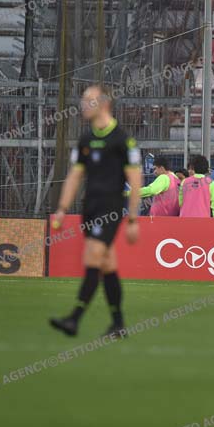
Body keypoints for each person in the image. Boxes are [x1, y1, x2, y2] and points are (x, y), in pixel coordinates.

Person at [49, 85, 142, 338]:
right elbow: (74, 176)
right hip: (89, 208)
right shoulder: (85, 139)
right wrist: (62, 208)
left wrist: (133, 219)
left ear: (103, 104)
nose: (82, 104)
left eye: (88, 100)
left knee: (92, 257)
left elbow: (135, 180)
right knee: (107, 263)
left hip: (110, 209)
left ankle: (74, 318)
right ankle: (118, 324)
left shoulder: (123, 140)